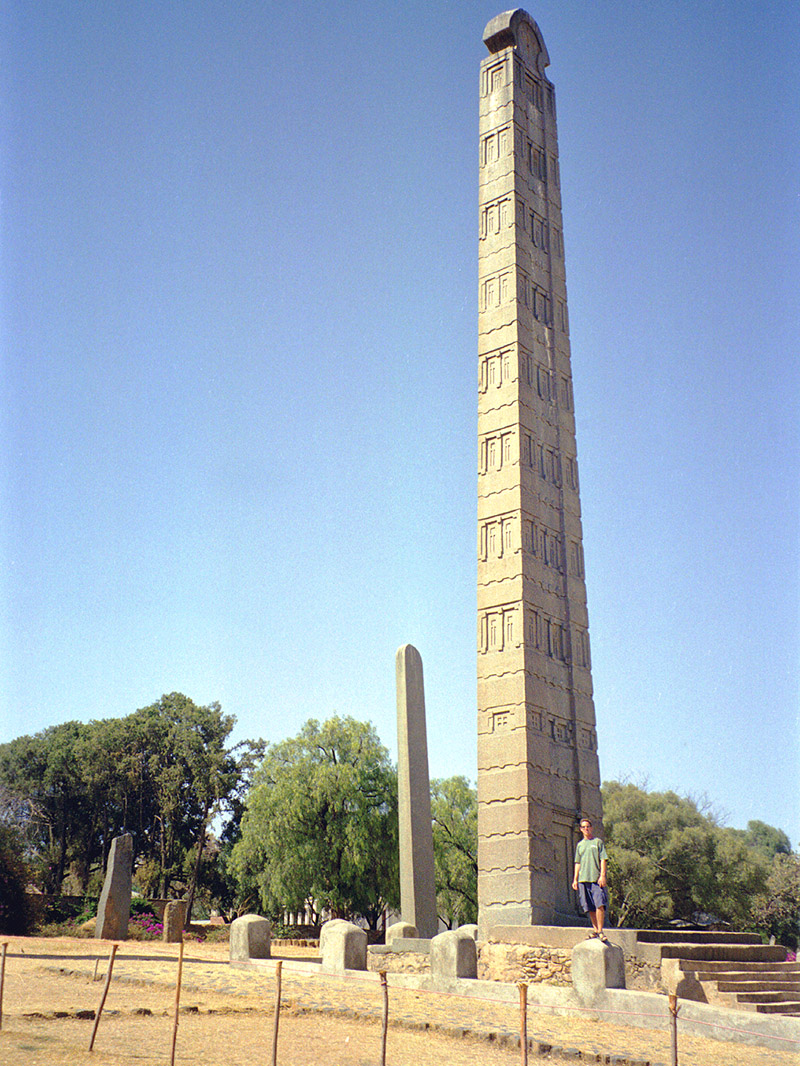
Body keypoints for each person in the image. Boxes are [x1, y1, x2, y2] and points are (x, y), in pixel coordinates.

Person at [572, 816, 609, 942]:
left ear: (591, 828)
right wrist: (575, 879)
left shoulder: (597, 842)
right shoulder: (580, 845)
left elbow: (603, 859)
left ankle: (601, 930)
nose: (586, 829)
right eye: (584, 827)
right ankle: (596, 930)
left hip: (596, 879)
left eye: (588, 826)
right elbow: (577, 862)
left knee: (600, 904)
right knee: (589, 907)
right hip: (583, 879)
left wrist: (602, 875)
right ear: (581, 829)